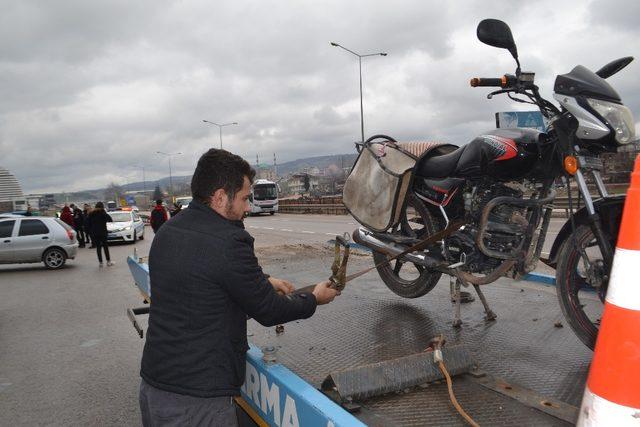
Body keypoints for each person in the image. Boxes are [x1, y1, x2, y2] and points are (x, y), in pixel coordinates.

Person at [139, 149, 339, 426]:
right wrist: (314, 298)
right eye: (245, 198)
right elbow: (269, 310)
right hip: (199, 399)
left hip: (155, 385)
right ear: (221, 197)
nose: (248, 207)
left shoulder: (170, 231)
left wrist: (265, 280)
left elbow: (202, 274)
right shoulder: (229, 241)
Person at [88, 202, 113, 267]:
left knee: (98, 248)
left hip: (95, 233)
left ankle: (100, 263)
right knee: (105, 247)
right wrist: (103, 211)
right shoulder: (103, 213)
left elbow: (88, 223)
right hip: (103, 232)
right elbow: (110, 219)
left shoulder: (92, 213)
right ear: (102, 207)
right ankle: (108, 261)